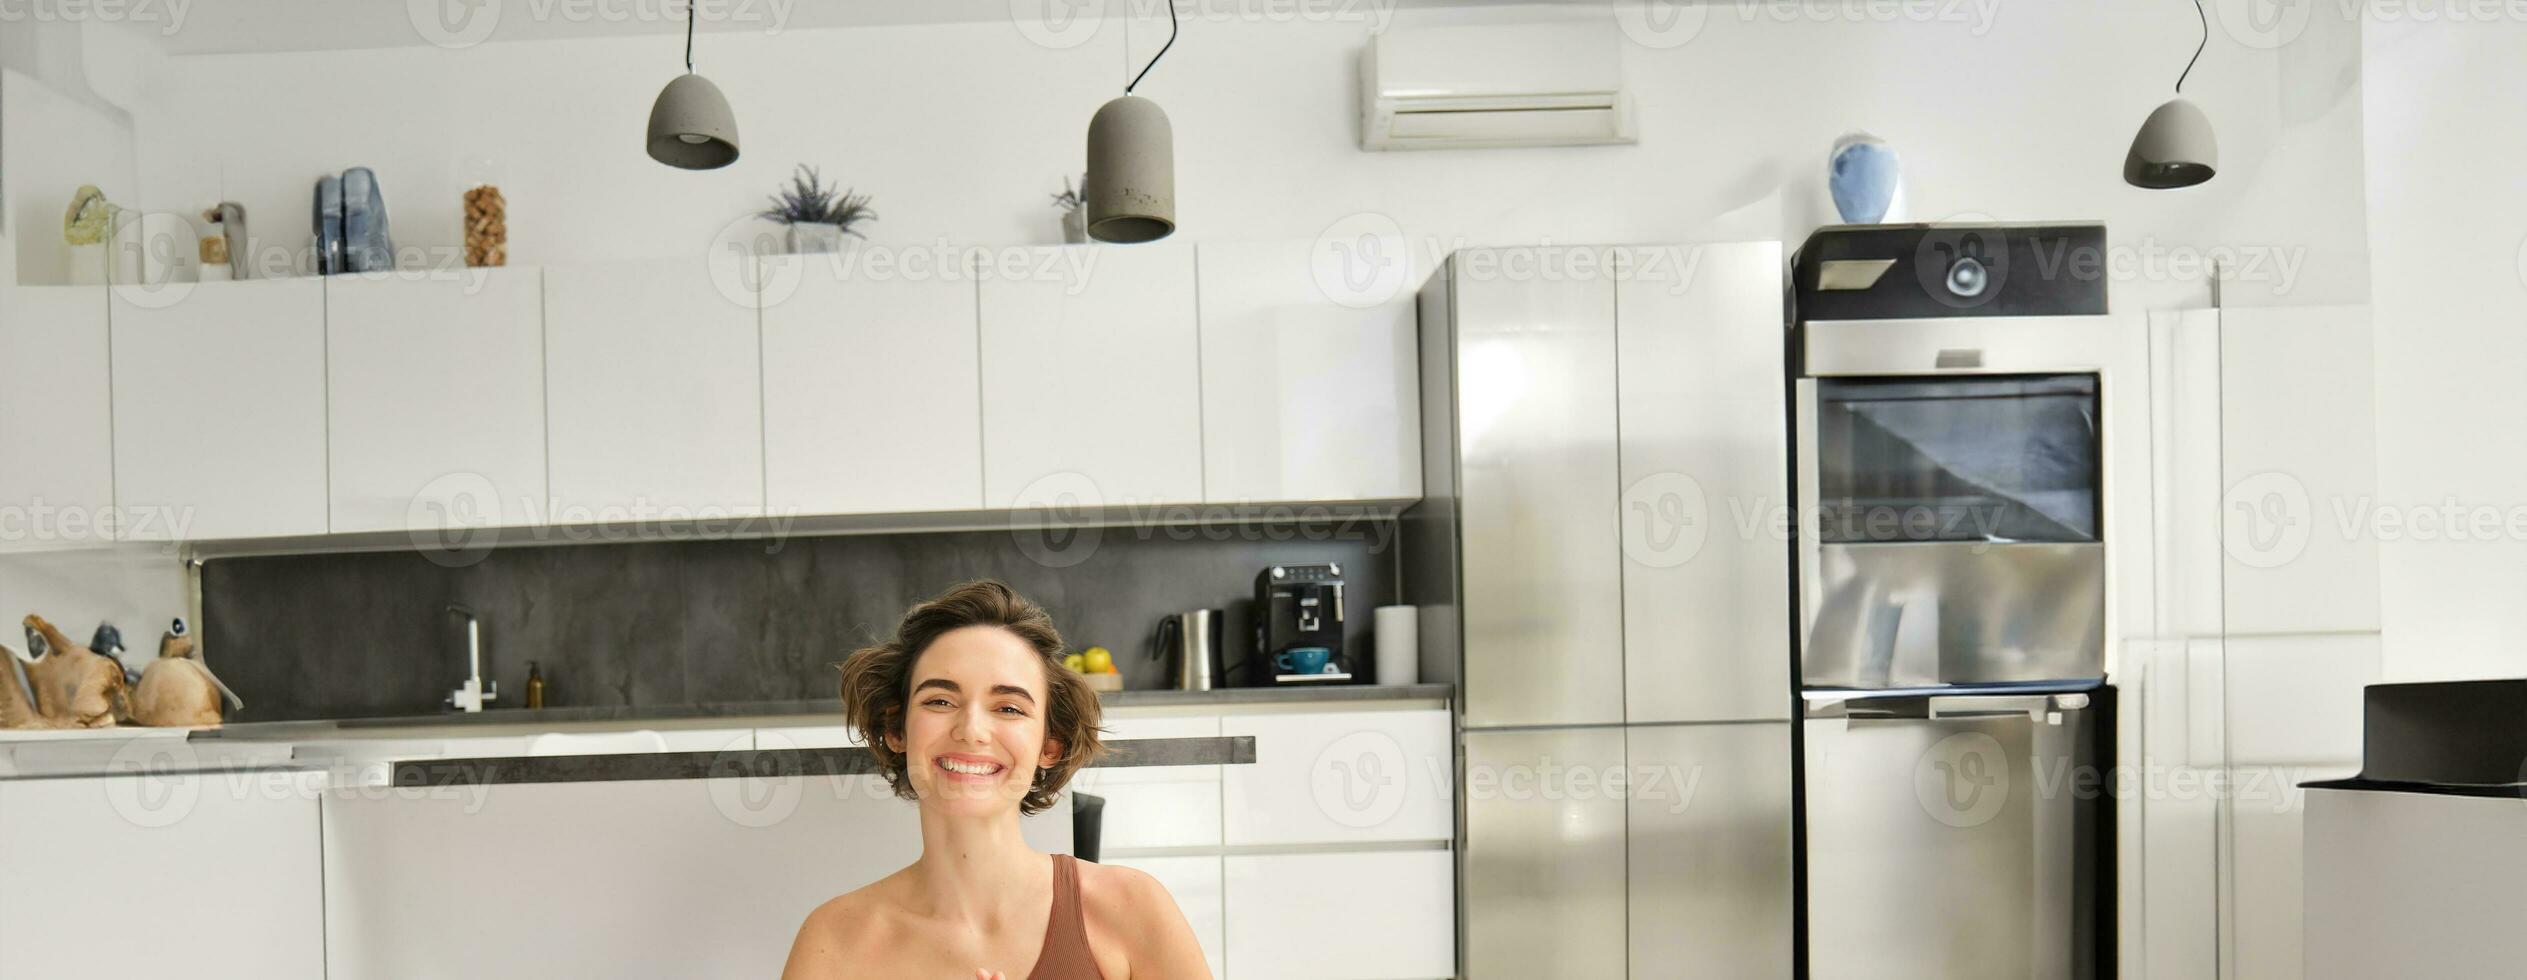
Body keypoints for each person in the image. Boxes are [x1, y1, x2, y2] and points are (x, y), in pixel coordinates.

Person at [782, 580, 1211, 979]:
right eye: (940, 700)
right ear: (897, 729)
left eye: (1009, 708)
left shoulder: (1132, 908)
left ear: (1050, 745)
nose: (971, 730)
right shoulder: (835, 941)